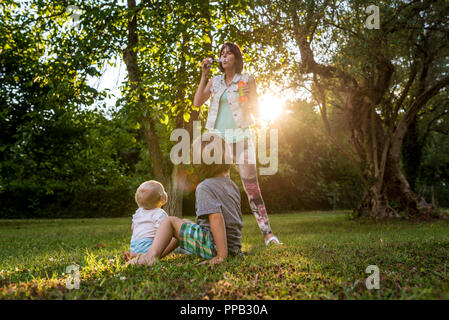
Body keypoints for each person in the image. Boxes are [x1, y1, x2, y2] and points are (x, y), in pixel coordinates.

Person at [193, 42, 281, 246]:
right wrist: (204, 75)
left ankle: (268, 234)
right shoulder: (214, 81)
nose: (224, 57)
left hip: (240, 136)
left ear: (236, 58)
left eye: (229, 53)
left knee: (251, 186)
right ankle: (216, 237)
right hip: (216, 141)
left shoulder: (246, 80)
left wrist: (248, 100)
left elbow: (256, 110)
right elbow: (198, 102)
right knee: (215, 187)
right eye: (222, 54)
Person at [127, 133, 243, 266]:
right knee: (184, 222)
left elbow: (217, 218)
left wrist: (221, 255)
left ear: (200, 163)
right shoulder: (232, 186)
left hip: (214, 247)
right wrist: (229, 250)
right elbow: (233, 220)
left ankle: (150, 256)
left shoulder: (205, 187)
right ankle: (154, 254)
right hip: (233, 246)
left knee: (169, 221)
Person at [123, 180, 178, 261]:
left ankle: (134, 255)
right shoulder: (159, 213)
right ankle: (154, 256)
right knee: (176, 239)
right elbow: (163, 231)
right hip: (148, 247)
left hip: (134, 246)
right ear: (162, 198)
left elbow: (133, 227)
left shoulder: (138, 211)